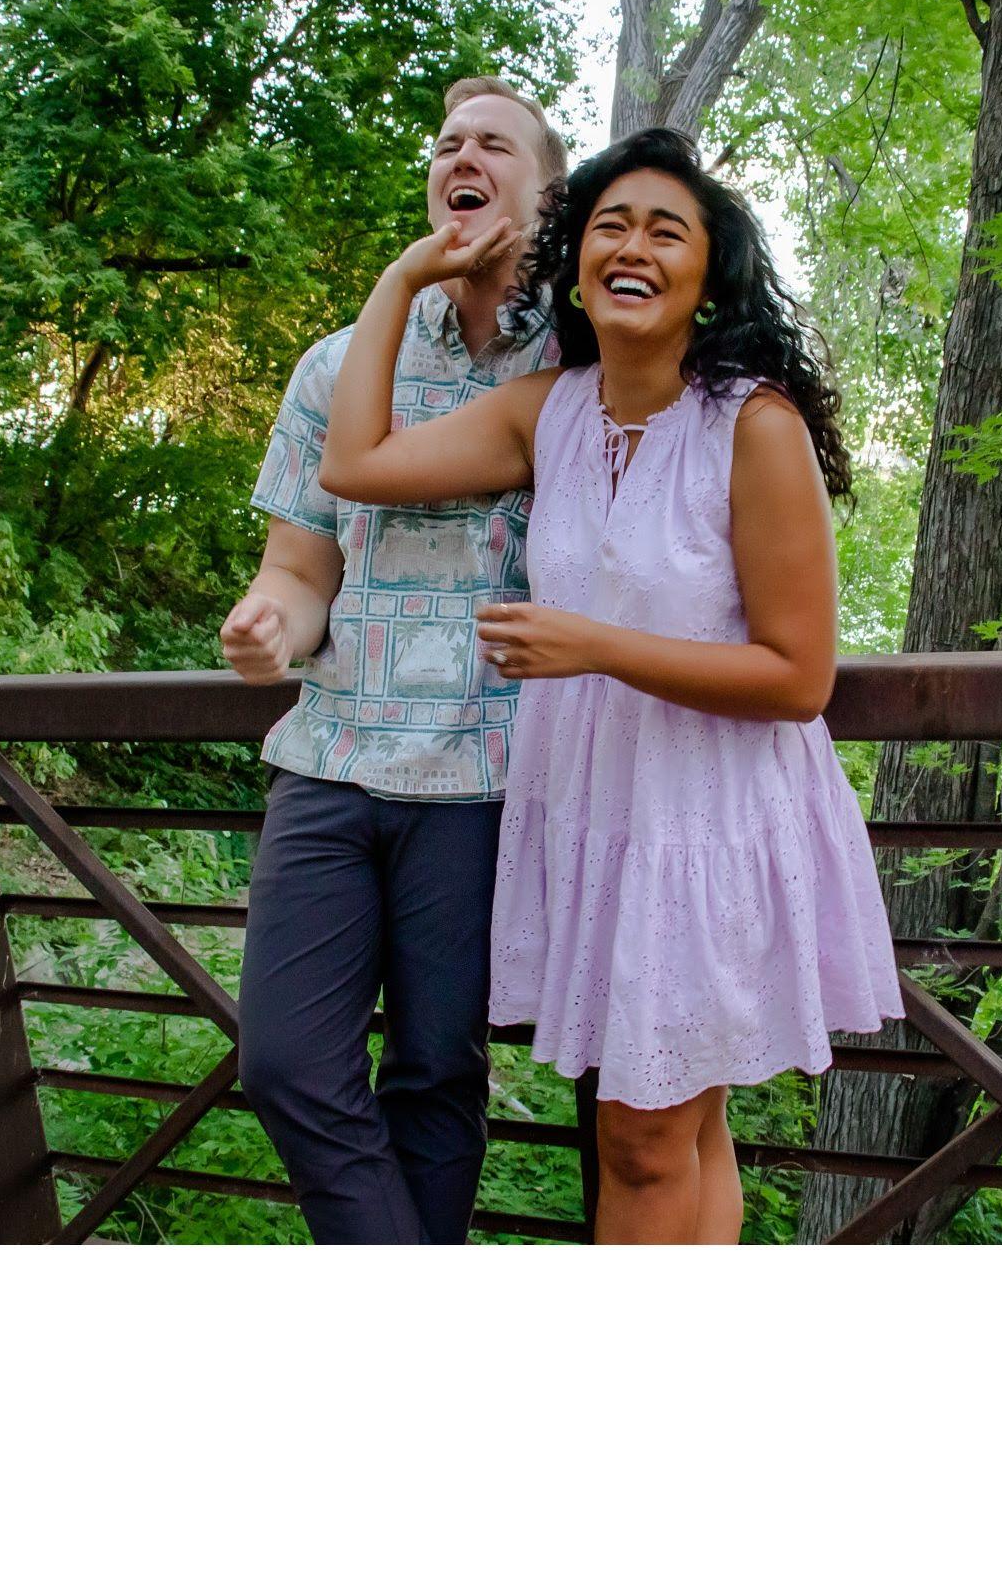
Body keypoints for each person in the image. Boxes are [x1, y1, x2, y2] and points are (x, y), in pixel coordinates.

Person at [318, 125, 905, 1244]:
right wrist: (403, 278)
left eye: (665, 231)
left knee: (642, 1141)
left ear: (709, 276)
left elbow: (798, 676)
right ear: (577, 261)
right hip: (601, 817)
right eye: (610, 227)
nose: (632, 247)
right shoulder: (547, 410)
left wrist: (595, 645)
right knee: (685, 1131)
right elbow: (354, 463)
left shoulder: (755, 426)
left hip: (712, 822)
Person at [218, 76, 564, 1245]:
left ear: (546, 190)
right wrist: (268, 622)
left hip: (484, 776)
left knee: (434, 1074)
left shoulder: (581, 368)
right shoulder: (337, 364)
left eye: (494, 144)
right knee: (283, 1062)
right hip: (329, 755)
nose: (461, 156)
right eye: (447, 142)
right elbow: (298, 569)